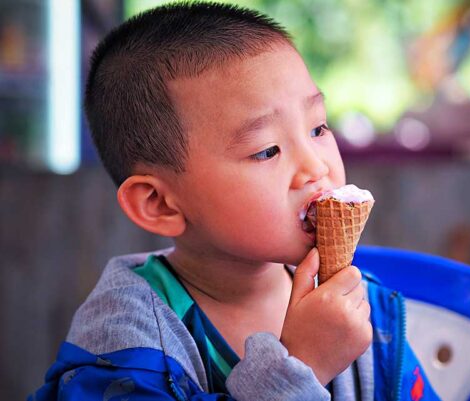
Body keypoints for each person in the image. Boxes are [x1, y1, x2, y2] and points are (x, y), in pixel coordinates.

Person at [30, 3, 440, 400]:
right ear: (159, 203)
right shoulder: (123, 338)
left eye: (318, 128)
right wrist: (303, 367)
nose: (316, 166)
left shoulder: (367, 310)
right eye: (266, 151)